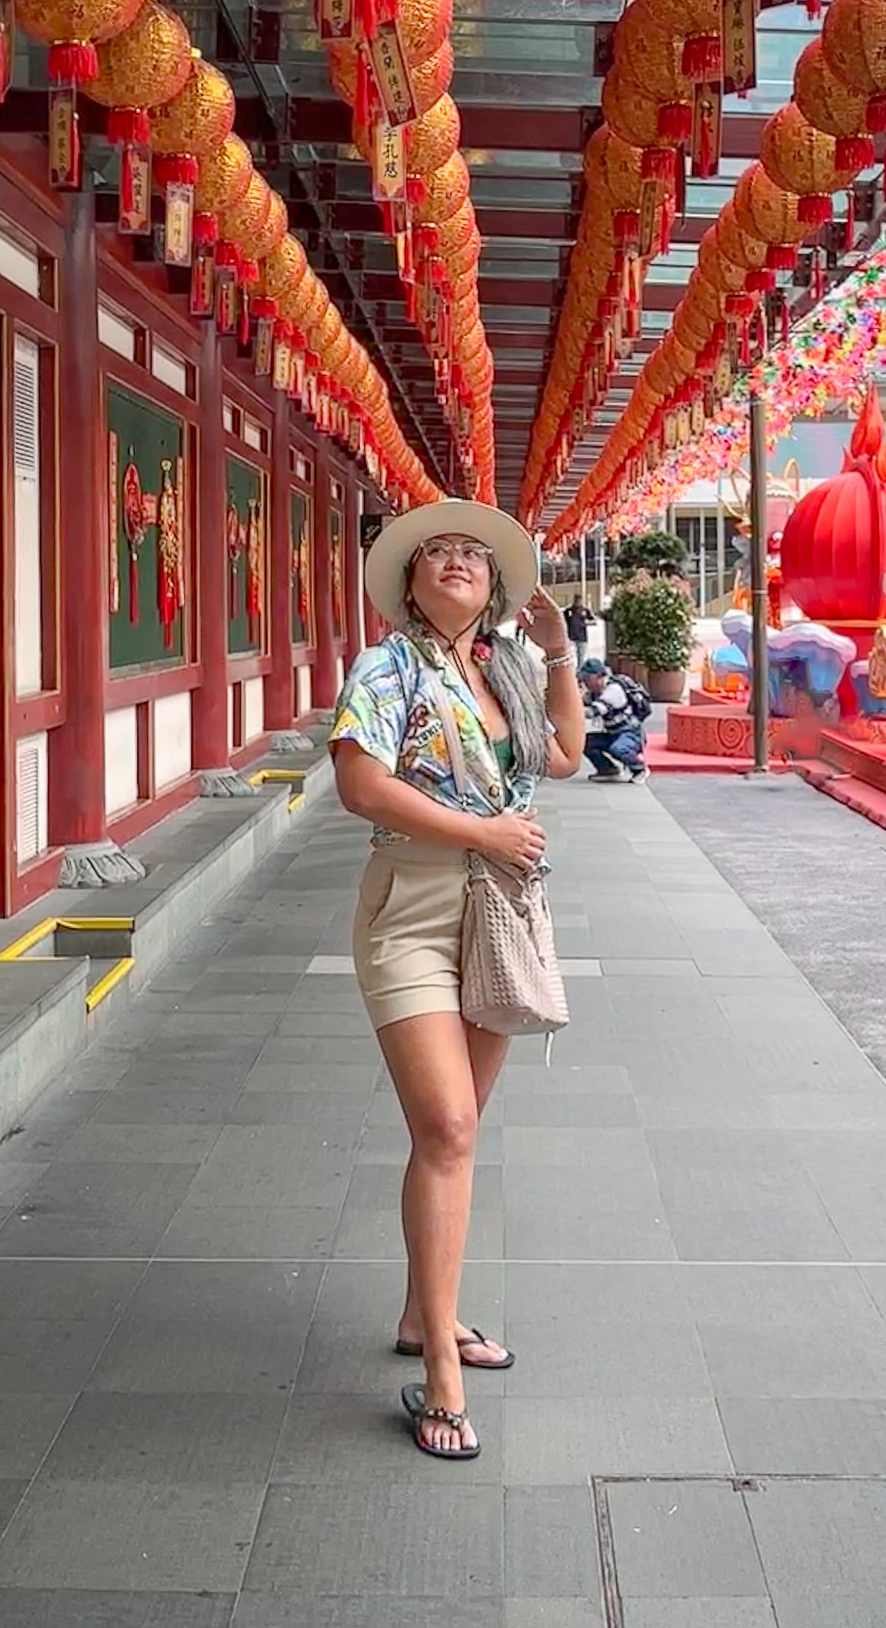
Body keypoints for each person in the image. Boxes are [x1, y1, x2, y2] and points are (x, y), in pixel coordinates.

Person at [329, 500, 584, 1461]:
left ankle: (415, 1312)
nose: (455, 563)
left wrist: (556, 650)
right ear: (408, 584)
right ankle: (438, 1363)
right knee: (447, 1125)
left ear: (496, 584)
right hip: (413, 902)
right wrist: (481, 831)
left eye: (473, 555)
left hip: (501, 905)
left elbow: (560, 757)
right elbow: (360, 784)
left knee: (458, 1128)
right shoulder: (388, 667)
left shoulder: (509, 667)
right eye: (435, 554)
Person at [579, 658, 649, 783]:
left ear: (600, 676)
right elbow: (580, 702)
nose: (585, 683)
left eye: (588, 678)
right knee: (585, 742)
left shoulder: (613, 690)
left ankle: (639, 768)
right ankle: (608, 770)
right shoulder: (594, 692)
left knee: (618, 748)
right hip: (613, 733)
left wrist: (572, 711)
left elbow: (593, 711)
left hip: (630, 733)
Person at [563, 593, 596, 666]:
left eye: (579, 600)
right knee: (570, 656)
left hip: (582, 637)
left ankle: (579, 671)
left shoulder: (585, 610)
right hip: (570, 638)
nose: (577, 602)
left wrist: (586, 623)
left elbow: (594, 621)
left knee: (581, 657)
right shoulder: (568, 611)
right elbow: (562, 621)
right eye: (576, 600)